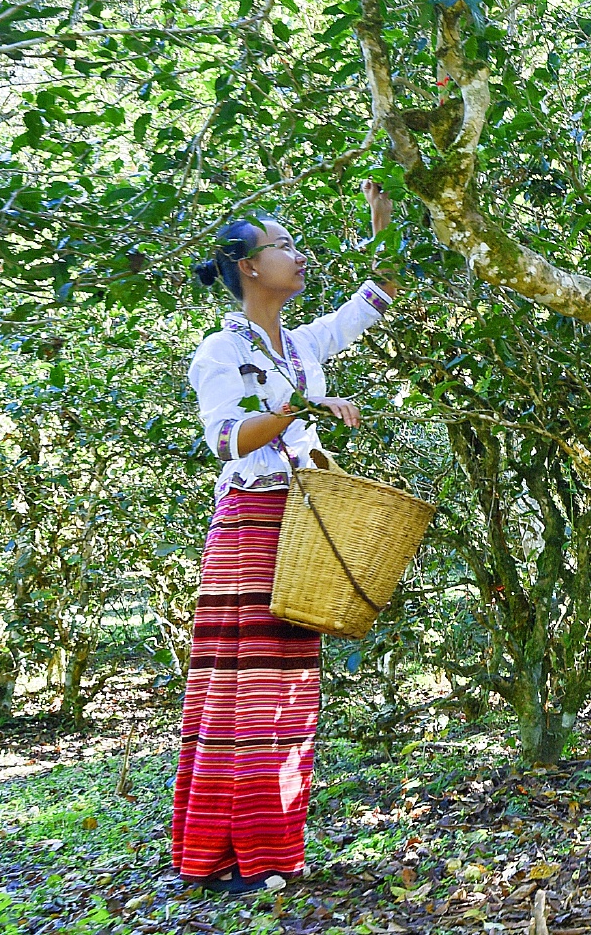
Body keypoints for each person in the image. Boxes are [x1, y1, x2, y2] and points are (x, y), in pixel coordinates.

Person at [173, 181, 399, 894]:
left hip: (301, 529)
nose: (299, 258)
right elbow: (231, 439)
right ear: (247, 265)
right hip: (250, 525)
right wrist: (301, 404)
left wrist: (382, 217)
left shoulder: (299, 342)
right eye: (284, 247)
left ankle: (271, 853)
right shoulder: (219, 348)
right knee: (241, 693)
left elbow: (378, 294)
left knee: (287, 693)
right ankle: (223, 856)